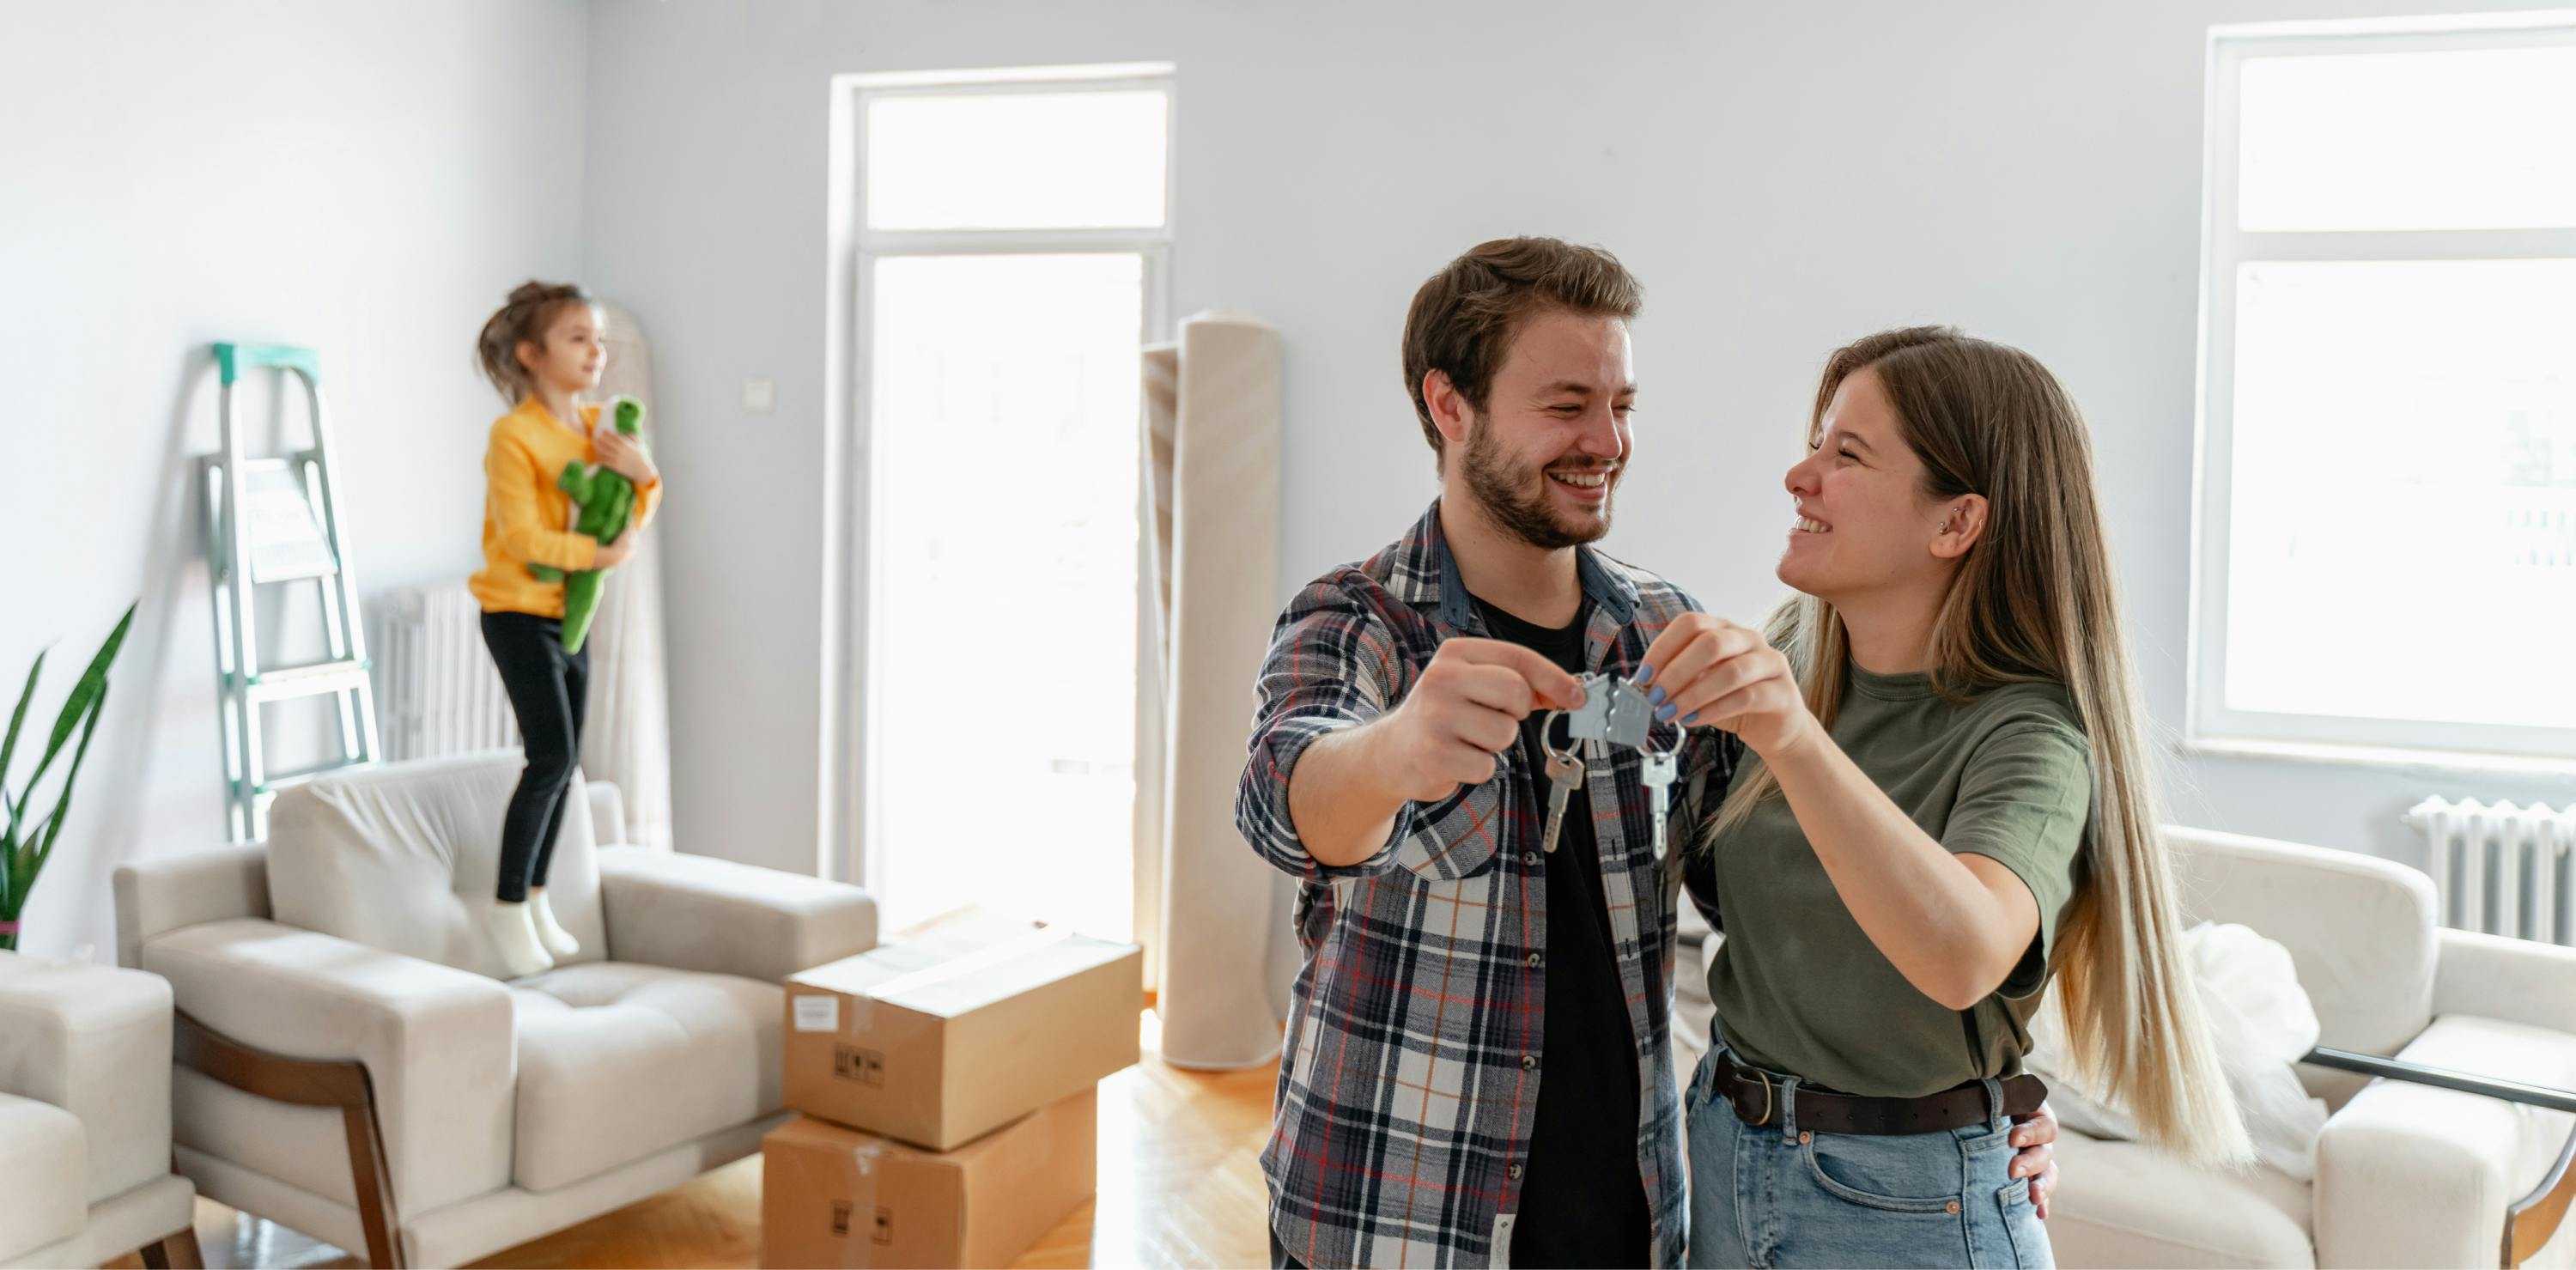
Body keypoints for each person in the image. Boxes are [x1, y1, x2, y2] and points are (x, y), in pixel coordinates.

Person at [1234, 246, 2057, 1268]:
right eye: (1568, 404)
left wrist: (1982, 1113)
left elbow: (1785, 894)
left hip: (1632, 1224)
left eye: (1623, 403)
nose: (1608, 441)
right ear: (1450, 406)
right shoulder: (1355, 621)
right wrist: (1395, 752)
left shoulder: (1668, 633)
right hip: (1395, 1212)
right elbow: (1281, 797)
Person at [1649, 327, 2251, 1267]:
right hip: (1726, 1152)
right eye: (1818, 441)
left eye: (1846, 454)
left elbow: (1964, 954)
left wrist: (1790, 737)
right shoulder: (1792, 660)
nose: (1798, 476)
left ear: (1955, 524)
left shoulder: (2030, 737)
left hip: (1904, 1211)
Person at [465, 281, 661, 978]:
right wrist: (597, 556)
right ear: (532, 354)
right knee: (548, 758)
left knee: (567, 765)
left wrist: (645, 476)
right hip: (516, 612)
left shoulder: (595, 432)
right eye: (578, 337)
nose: (595, 350)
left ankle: (538, 898)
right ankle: (506, 904)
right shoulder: (514, 434)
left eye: (598, 339)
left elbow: (624, 512)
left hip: (568, 615)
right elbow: (522, 536)